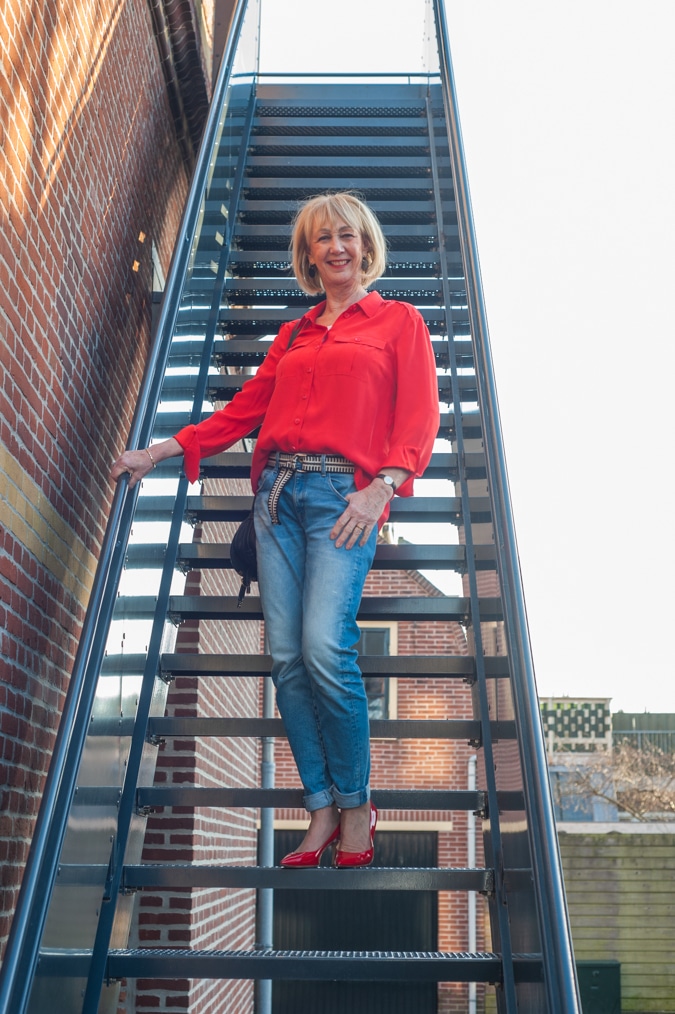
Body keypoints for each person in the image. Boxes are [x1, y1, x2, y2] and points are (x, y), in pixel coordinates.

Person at [111, 192, 439, 867]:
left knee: (324, 649)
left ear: (365, 245)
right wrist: (159, 451)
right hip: (276, 499)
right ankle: (317, 809)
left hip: (340, 500)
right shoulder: (291, 336)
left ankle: (356, 805)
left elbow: (418, 417)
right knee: (287, 661)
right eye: (322, 238)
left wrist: (381, 488)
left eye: (346, 235)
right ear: (308, 254)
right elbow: (242, 412)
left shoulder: (397, 322)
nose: (335, 248)